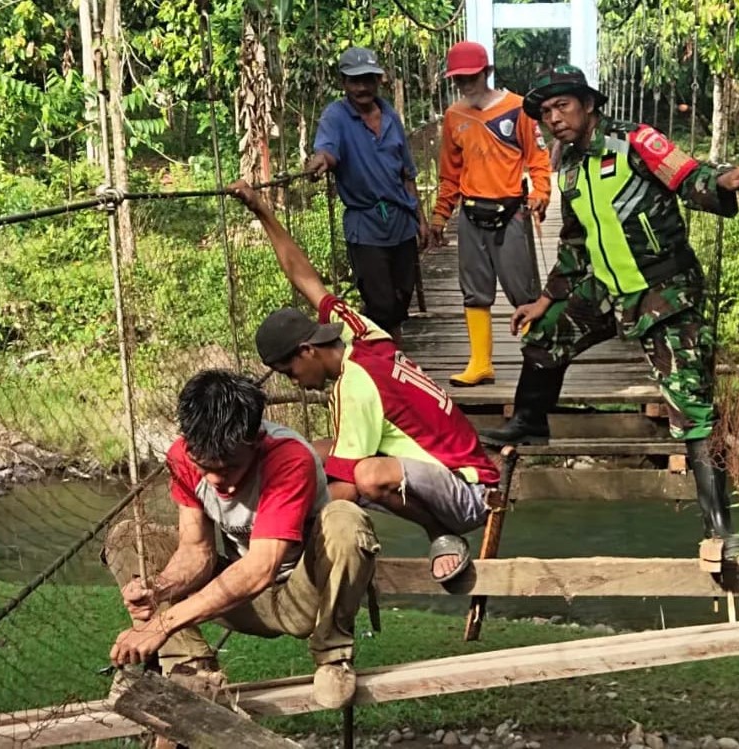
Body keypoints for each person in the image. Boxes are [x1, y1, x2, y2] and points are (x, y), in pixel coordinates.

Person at [481, 67, 739, 561]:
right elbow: (574, 241)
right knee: (544, 333)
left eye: (562, 106)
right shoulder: (566, 165)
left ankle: (721, 529)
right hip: (607, 288)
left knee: (691, 410)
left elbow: (688, 175)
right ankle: (529, 420)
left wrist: (722, 182)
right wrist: (546, 300)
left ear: (588, 104)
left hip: (663, 289)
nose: (553, 119)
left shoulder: (634, 142)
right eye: (545, 113)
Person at [228, 179, 499, 584]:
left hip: (468, 492)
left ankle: (440, 532)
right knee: (299, 449)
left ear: (307, 351)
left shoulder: (354, 388)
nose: (297, 383)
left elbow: (345, 489)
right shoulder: (357, 331)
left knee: (365, 476)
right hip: (442, 465)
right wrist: (261, 210)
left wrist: (275, 535)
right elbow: (304, 277)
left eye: (291, 373)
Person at [105, 369, 379, 710]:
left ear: (255, 440)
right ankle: (190, 666)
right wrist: (158, 589)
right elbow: (197, 551)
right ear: (190, 448)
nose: (221, 483)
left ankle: (333, 657)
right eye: (208, 468)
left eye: (232, 467)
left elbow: (262, 567)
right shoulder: (182, 457)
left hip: (302, 597)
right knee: (128, 537)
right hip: (242, 601)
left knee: (345, 519)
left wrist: (163, 623)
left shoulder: (289, 457)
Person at [429, 40, 552, 388]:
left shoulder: (518, 109)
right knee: (474, 291)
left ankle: (538, 360)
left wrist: (541, 192)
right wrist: (441, 214)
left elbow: (539, 159)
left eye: (471, 76)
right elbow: (449, 173)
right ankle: (480, 362)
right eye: (458, 78)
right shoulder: (455, 116)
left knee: (523, 290)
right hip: (470, 214)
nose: (465, 84)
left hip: (511, 212)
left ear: (487, 73)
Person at [306, 46, 429, 347]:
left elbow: (407, 173)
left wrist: (420, 219)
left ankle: (389, 348)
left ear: (378, 80)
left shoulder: (390, 114)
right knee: (379, 299)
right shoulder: (335, 116)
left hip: (401, 219)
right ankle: (381, 357)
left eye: (368, 79)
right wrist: (320, 161)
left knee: (402, 294)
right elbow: (328, 149)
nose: (362, 87)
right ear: (343, 83)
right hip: (366, 224)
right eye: (354, 80)